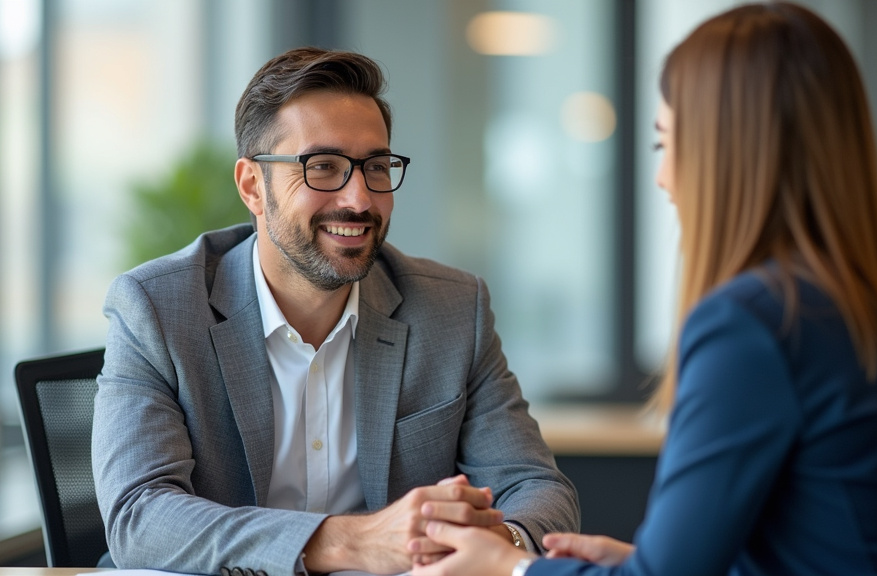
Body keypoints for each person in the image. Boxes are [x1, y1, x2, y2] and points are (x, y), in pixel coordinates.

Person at [409, 4, 877, 576]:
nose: (662, 175)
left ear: (725, 153)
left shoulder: (756, 323)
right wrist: (633, 562)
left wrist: (508, 568)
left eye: (664, 143)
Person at [92, 47, 579, 576]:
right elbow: (138, 516)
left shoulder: (455, 309)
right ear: (253, 186)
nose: (360, 199)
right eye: (323, 167)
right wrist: (349, 541)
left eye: (376, 166)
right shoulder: (157, 309)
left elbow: (536, 488)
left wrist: (493, 541)